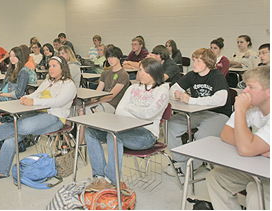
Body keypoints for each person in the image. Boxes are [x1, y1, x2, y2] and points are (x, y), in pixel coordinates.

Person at [0, 56, 77, 182]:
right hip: (37, 112)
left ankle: (1, 128)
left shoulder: (69, 84)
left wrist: (33, 101)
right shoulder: (48, 81)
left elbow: (58, 102)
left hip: (55, 117)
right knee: (15, 133)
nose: (51, 69)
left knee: (24, 126)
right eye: (50, 66)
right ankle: (1, 171)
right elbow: (36, 93)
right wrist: (26, 97)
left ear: (63, 68)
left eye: (54, 66)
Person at [85, 58, 169, 189]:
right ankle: (99, 177)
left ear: (155, 73)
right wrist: (138, 114)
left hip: (147, 135)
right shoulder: (133, 88)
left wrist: (130, 107)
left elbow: (149, 115)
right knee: (90, 131)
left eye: (146, 71)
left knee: (113, 135)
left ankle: (110, 180)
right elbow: (119, 111)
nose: (141, 74)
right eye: (140, 70)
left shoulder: (162, 90)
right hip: (125, 129)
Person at [206, 66, 270, 210]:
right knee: (216, 177)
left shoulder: (245, 107)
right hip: (260, 166)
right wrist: (255, 147)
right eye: (246, 86)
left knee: (255, 191)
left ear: (269, 92)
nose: (245, 91)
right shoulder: (252, 107)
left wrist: (240, 109)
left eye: (251, 87)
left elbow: (246, 148)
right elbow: (226, 133)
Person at [165, 48, 231, 177]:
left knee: (202, 136)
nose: (194, 63)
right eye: (194, 60)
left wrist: (191, 100)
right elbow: (173, 89)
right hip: (198, 113)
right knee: (171, 124)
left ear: (208, 63)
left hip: (218, 114)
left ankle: (189, 168)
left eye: (198, 61)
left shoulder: (217, 76)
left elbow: (221, 99)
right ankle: (179, 160)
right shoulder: (192, 75)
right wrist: (177, 94)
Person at [78, 46, 130, 116]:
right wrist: (86, 103)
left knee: (85, 111)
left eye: (113, 57)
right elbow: (98, 92)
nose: (110, 60)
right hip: (101, 102)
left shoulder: (123, 74)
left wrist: (92, 103)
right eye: (108, 57)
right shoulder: (105, 73)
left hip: (112, 105)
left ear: (120, 58)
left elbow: (110, 97)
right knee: (80, 109)